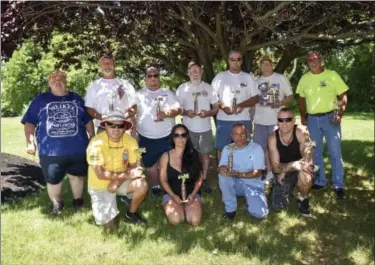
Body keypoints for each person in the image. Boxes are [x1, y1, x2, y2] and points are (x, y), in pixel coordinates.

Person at [21, 71, 95, 215]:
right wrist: (30, 142)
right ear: (49, 83)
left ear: (66, 82)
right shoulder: (40, 100)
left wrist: (92, 135)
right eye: (53, 78)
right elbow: (29, 122)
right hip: (50, 151)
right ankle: (57, 204)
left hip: (78, 148)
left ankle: (78, 201)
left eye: (61, 77)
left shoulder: (76, 98)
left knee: (78, 176)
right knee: (54, 179)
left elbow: (87, 119)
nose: (57, 80)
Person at [296, 51, 349, 199]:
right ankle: (320, 180)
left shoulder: (332, 75)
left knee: (335, 152)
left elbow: (343, 95)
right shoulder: (304, 79)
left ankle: (338, 184)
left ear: (321, 60)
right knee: (315, 152)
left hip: (330, 117)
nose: (312, 62)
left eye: (315, 59)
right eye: (309, 60)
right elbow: (301, 99)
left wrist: (340, 113)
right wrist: (303, 116)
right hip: (312, 120)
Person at [86, 110, 148, 228]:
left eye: (120, 125)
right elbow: (100, 174)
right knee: (110, 228)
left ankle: (131, 214)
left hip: (120, 181)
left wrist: (117, 181)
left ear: (125, 127)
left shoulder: (131, 141)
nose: (116, 129)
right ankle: (102, 213)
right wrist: (126, 176)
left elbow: (136, 168)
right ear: (105, 126)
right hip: (100, 185)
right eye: (111, 125)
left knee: (142, 185)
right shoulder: (95, 143)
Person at [134, 67, 182, 197]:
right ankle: (155, 186)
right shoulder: (138, 95)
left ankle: (169, 185)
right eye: (149, 76)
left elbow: (178, 109)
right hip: (146, 136)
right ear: (145, 79)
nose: (153, 78)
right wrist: (133, 132)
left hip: (167, 136)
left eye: (156, 75)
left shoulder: (168, 93)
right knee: (150, 163)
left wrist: (167, 113)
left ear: (159, 78)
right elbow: (132, 114)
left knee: (168, 162)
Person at [176, 61, 219, 193]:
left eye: (197, 70)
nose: (195, 72)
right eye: (192, 70)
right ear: (188, 73)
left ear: (201, 72)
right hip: (188, 130)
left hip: (205, 128)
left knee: (205, 155)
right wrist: (185, 112)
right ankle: (191, 180)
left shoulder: (208, 88)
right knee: (188, 155)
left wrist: (208, 113)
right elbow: (177, 109)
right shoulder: (182, 88)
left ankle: (204, 179)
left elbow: (216, 108)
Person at [212, 50, 258, 162]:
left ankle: (242, 174)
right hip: (224, 120)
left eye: (238, 59)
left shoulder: (248, 77)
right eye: (232, 59)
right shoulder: (220, 77)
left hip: (243, 120)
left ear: (241, 61)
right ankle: (222, 174)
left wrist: (241, 105)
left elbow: (255, 98)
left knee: (243, 148)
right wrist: (223, 107)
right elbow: (212, 98)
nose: (235, 62)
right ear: (228, 61)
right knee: (222, 148)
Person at [268, 108, 316, 217]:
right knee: (277, 206)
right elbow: (275, 168)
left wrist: (289, 167)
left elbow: (307, 160)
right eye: (281, 120)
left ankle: (303, 198)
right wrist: (291, 166)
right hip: (283, 171)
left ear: (294, 120)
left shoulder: (301, 132)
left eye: (288, 119)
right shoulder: (272, 138)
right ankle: (291, 188)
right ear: (277, 122)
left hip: (299, 169)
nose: (284, 123)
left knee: (305, 174)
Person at [253, 55, 294, 184]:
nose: (265, 66)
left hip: (276, 121)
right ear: (260, 67)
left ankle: (282, 172)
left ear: (272, 65)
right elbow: (253, 102)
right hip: (259, 121)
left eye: (267, 63)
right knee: (263, 149)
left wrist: (280, 102)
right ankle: (270, 173)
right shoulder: (256, 82)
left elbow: (291, 97)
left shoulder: (281, 78)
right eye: (262, 64)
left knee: (277, 148)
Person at [218, 123, 268, 220]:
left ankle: (252, 201)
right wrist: (222, 169)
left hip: (252, 184)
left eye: (242, 134)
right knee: (223, 177)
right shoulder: (227, 148)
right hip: (235, 183)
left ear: (247, 135)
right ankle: (230, 209)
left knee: (260, 214)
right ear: (231, 136)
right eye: (236, 134)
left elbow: (258, 172)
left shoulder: (256, 148)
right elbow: (220, 166)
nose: (239, 137)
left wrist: (238, 174)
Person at [159, 124, 203, 225]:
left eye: (183, 135)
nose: (180, 138)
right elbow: (163, 180)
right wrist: (173, 195)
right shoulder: (166, 156)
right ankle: (169, 204)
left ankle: (189, 206)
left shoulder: (194, 154)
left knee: (195, 221)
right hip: (172, 194)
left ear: (187, 137)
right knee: (176, 221)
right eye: (176, 135)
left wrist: (193, 194)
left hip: (191, 194)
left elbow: (199, 178)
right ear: (172, 137)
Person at [84, 53, 137, 134]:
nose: (107, 65)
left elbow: (134, 107)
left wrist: (122, 117)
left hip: (123, 127)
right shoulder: (94, 86)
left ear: (114, 65)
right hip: (103, 127)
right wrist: (102, 117)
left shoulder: (126, 84)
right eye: (104, 63)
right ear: (100, 67)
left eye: (109, 63)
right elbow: (89, 109)